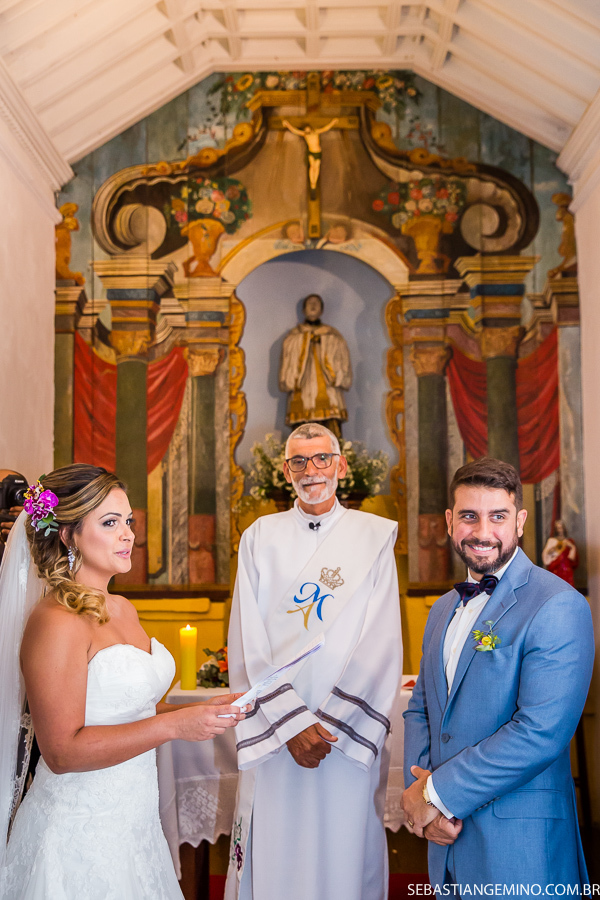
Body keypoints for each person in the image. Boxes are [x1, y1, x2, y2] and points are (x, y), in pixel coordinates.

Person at [0, 464, 246, 899]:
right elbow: (60, 751)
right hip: (77, 837)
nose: (128, 534)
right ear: (69, 534)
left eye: (128, 522)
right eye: (110, 523)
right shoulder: (55, 622)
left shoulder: (122, 608)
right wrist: (173, 727)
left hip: (136, 828)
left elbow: (129, 711)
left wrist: (199, 713)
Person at [225, 423, 402, 900]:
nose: (312, 471)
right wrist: (291, 724)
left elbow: (382, 639)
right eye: (299, 462)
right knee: (276, 852)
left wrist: (328, 724)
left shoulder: (373, 537)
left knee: (345, 852)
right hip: (278, 735)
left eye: (322, 459)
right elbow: (247, 640)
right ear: (286, 472)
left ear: (341, 466)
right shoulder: (259, 537)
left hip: (342, 736)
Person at [402, 457, 594, 891]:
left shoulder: (558, 605)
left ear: (520, 522)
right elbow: (421, 710)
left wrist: (436, 796)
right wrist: (423, 801)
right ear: (451, 522)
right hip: (445, 837)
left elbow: (540, 732)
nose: (483, 531)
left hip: (518, 841)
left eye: (498, 516)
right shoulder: (441, 610)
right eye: (469, 516)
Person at [279, 294, 352, 440]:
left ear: (322, 310)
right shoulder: (294, 335)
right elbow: (288, 354)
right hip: (304, 387)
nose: (313, 306)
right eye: (310, 303)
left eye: (316, 303)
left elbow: (342, 357)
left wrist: (323, 340)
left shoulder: (332, 335)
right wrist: (306, 340)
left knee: (330, 431)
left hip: (327, 387)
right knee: (302, 433)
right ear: (304, 309)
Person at [542, 518, 579, 586]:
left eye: (561, 528)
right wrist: (553, 550)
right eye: (558, 528)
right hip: (556, 569)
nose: (560, 530)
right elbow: (546, 556)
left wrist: (571, 546)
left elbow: (573, 558)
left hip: (566, 570)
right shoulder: (552, 541)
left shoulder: (569, 541)